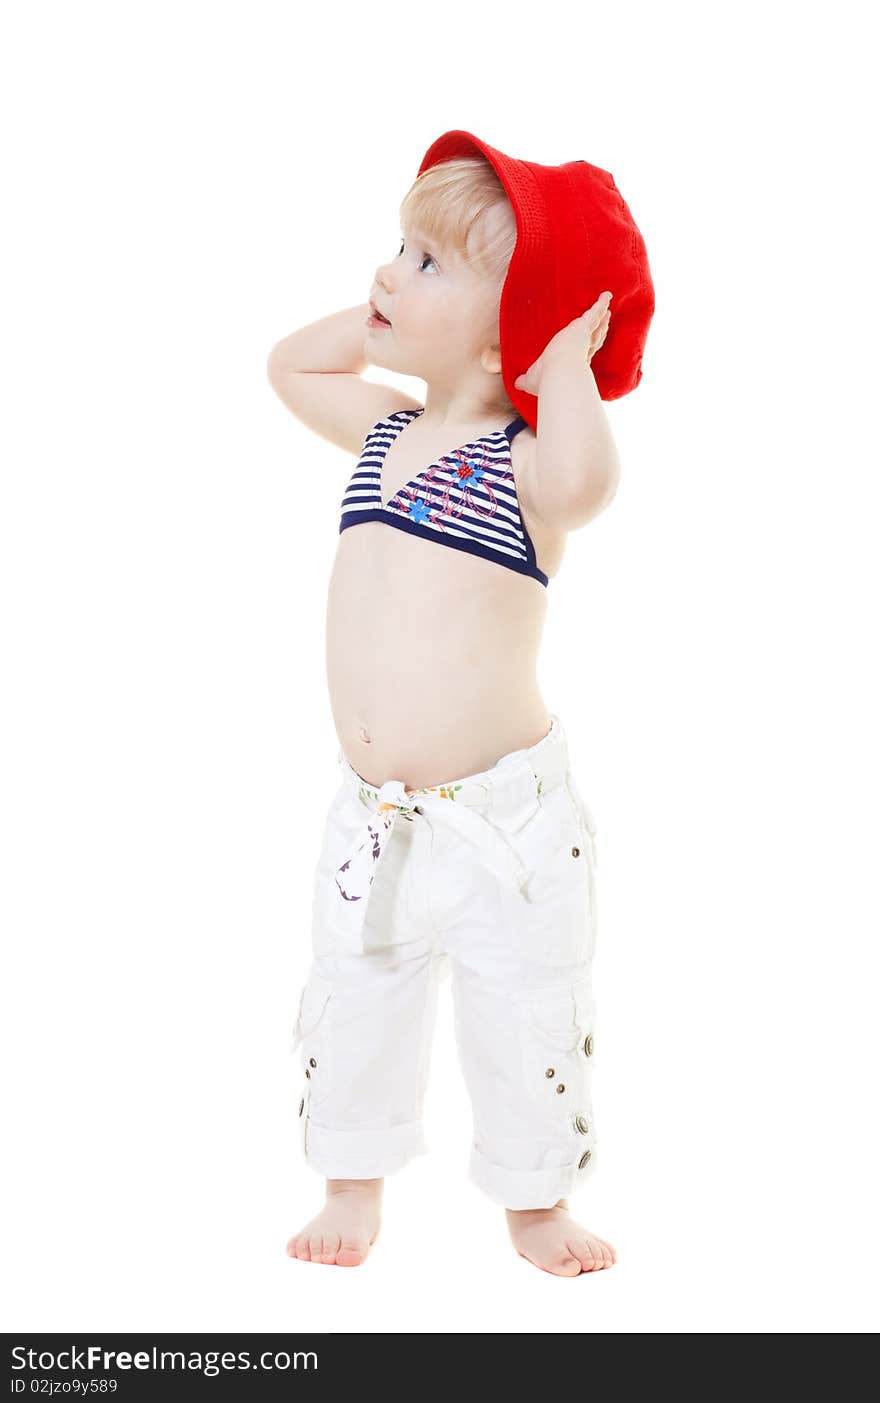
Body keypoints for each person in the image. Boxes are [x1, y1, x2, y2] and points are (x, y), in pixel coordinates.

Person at [267, 129, 654, 1275]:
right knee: (356, 988)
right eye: (399, 246)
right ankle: (351, 1178)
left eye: (429, 263)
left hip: (506, 827)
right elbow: (290, 367)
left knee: (523, 1006)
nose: (388, 271)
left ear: (516, 324)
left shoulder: (528, 460)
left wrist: (564, 364)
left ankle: (535, 1202)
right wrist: (395, 311)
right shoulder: (386, 428)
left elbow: (590, 484)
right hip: (376, 813)